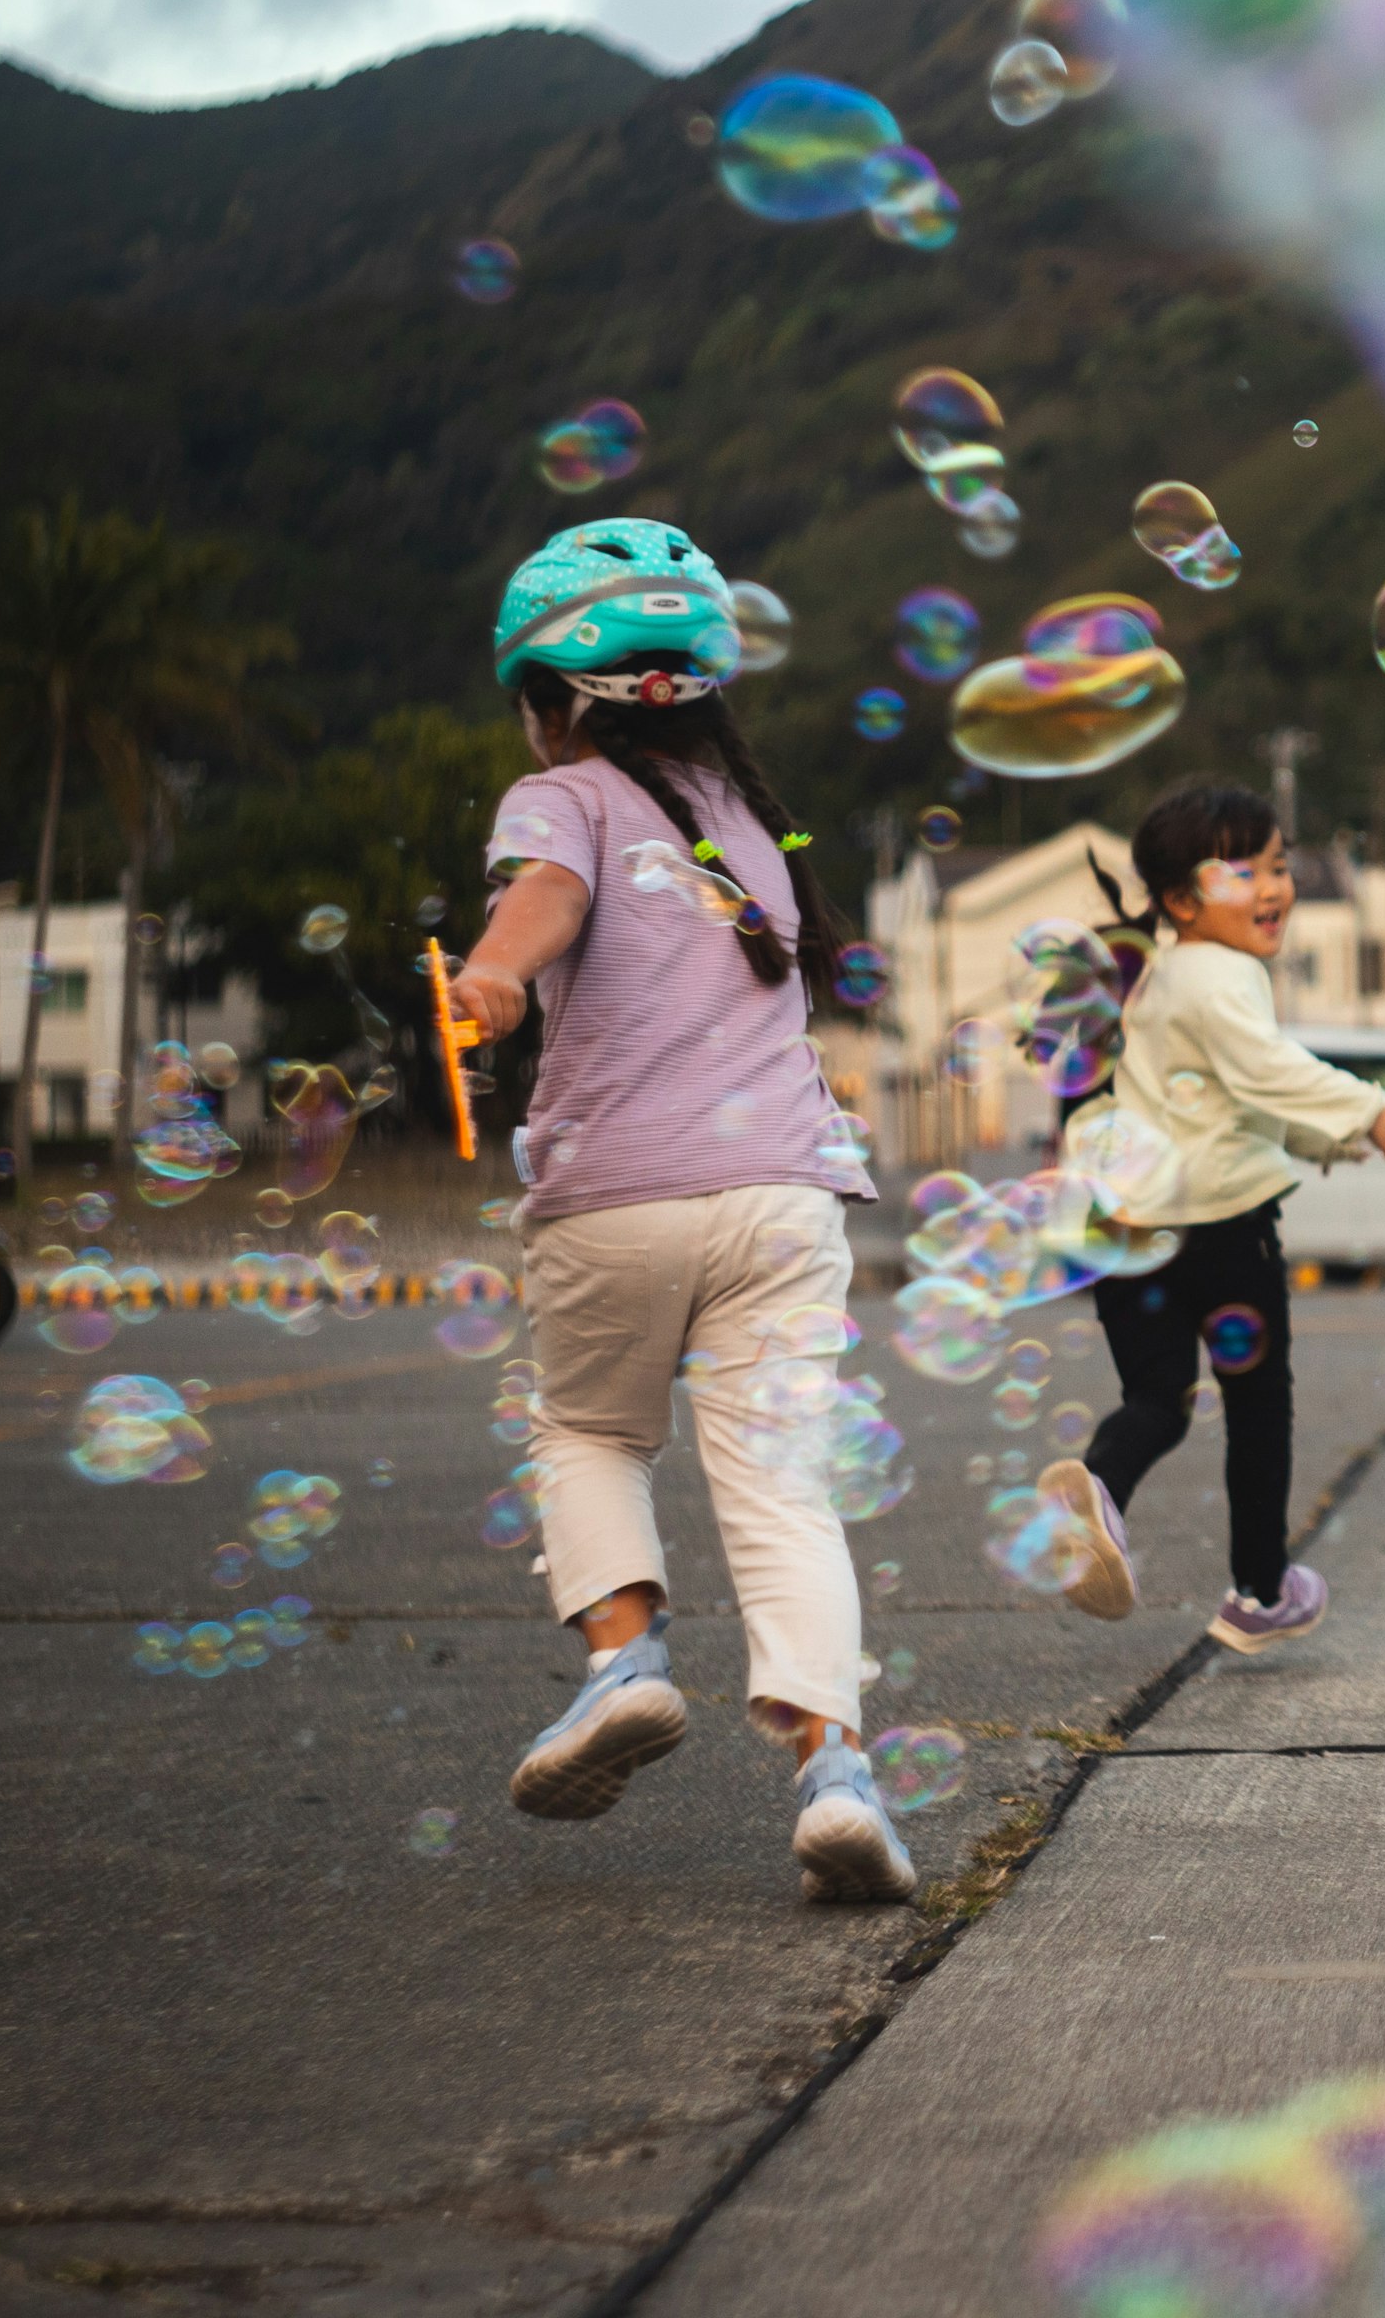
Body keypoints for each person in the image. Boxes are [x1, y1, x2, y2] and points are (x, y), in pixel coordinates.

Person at [451, 517, 915, 1902]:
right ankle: (836, 1772)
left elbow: (545, 895)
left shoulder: (568, 797)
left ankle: (625, 1663)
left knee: (590, 1426)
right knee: (784, 1485)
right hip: (785, 1195)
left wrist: (492, 979)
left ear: (549, 705)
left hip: (621, 1194)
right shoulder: (752, 832)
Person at [1030, 778, 1385, 1651]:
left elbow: (1231, 1093)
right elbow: (1268, 1070)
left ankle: (1096, 1488)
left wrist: (1337, 1142)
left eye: (1280, 867)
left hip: (1130, 1229)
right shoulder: (1224, 974)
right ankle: (1260, 1587)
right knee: (1257, 1404)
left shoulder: (1150, 978)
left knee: (1156, 1399)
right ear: (1180, 899)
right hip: (1222, 1228)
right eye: (1244, 873)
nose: (1274, 889)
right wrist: (1373, 1110)